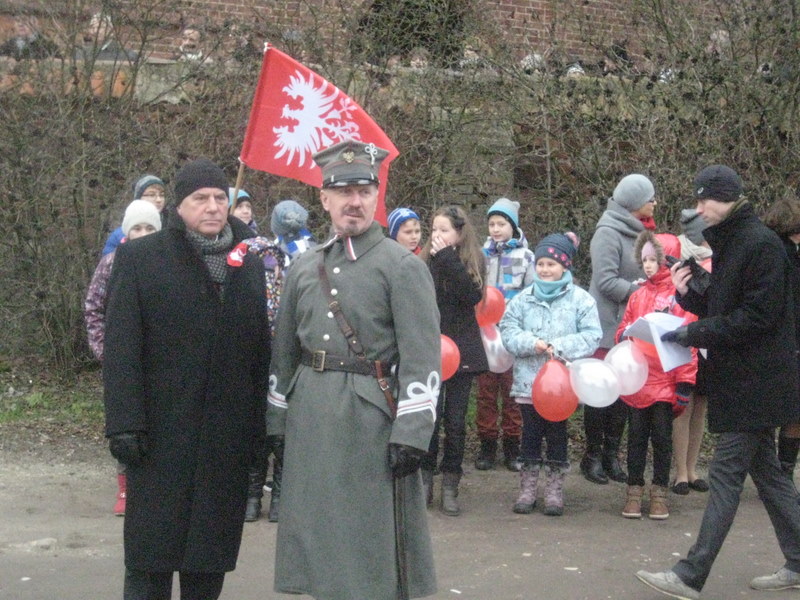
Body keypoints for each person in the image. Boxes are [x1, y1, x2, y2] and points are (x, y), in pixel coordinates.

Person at [266, 140, 439, 600]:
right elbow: (284, 353)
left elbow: (423, 357)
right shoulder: (306, 266)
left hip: (370, 421)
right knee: (316, 528)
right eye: (343, 193)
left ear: (376, 196)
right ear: (325, 199)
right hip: (310, 417)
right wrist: (277, 419)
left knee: (366, 540)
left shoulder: (401, 267)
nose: (354, 202)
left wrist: (413, 431)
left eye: (364, 190)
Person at [103, 158, 271, 600]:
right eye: (201, 199)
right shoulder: (141, 258)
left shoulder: (248, 266)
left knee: (207, 557)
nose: (213, 207)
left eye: (220, 198)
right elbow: (122, 348)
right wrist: (124, 422)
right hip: (159, 434)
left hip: (224, 437)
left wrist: (259, 430)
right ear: (179, 206)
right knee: (150, 557)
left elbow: (259, 353)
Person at [636, 165, 800, 599]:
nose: (698, 208)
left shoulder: (760, 244)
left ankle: (690, 574)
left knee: (726, 477)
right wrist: (692, 290)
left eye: (703, 199)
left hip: (757, 382)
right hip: (749, 381)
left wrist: (694, 332)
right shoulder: (735, 241)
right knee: (770, 476)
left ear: (725, 198)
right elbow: (729, 304)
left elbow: (759, 317)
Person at [499, 232, 600, 516]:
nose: (544, 269)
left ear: (565, 267)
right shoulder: (522, 299)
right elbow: (507, 330)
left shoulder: (581, 300)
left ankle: (554, 490)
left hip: (562, 388)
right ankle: (528, 488)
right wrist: (532, 344)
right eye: (540, 264)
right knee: (529, 435)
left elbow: (592, 335)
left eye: (551, 265)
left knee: (557, 434)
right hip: (529, 384)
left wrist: (560, 347)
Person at [85, 199, 162, 517]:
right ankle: (125, 486)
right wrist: (108, 352)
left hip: (160, 362)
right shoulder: (111, 263)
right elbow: (93, 307)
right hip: (123, 363)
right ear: (126, 232)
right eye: (137, 228)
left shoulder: (166, 264)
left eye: (149, 227)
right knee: (125, 422)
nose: (143, 233)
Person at [243, 199, 316, 523]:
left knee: (286, 423)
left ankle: (280, 494)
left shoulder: (313, 256)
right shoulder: (257, 254)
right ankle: (253, 493)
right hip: (260, 349)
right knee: (260, 424)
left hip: (295, 352)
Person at [616, 231, 697, 521]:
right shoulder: (638, 295)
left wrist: (685, 383)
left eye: (654, 259)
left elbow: (689, 344)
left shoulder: (681, 299)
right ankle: (634, 489)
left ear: (668, 260)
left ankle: (659, 491)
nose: (648, 265)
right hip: (638, 380)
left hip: (665, 382)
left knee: (662, 438)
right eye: (644, 259)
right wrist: (623, 336)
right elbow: (624, 326)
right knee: (636, 436)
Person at [582, 173, 653, 485]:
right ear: (635, 202)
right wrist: (640, 292)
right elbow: (605, 281)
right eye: (650, 197)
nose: (655, 202)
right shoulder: (607, 233)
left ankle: (612, 455)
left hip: (630, 328)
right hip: (606, 325)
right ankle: (592, 455)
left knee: (624, 394)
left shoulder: (644, 233)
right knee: (600, 395)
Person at [420, 205, 488, 516]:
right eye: (434, 230)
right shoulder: (423, 261)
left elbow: (471, 296)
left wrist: (447, 258)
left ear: (459, 234)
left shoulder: (470, 261)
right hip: (431, 349)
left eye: (444, 230)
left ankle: (451, 483)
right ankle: (424, 481)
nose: (437, 236)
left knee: (456, 421)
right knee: (429, 419)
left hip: (462, 351)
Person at [474, 197, 534, 472]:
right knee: (486, 392)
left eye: (501, 223)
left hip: (512, 333)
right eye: (491, 224)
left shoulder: (526, 256)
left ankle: (513, 445)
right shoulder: (480, 254)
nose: (496, 229)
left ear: (513, 226)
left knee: (513, 391)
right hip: (485, 334)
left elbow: (532, 293)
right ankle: (487, 445)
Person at [672, 208, 712, 496]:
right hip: (684, 339)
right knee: (682, 408)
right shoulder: (677, 253)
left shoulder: (719, 257)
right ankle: (680, 473)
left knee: (700, 407)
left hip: (710, 342)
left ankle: (694, 467)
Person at [762, 194, 800, 493]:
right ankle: (781, 474)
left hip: (776, 341)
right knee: (791, 413)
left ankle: (777, 473)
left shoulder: (767, 252)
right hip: (786, 341)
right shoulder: (784, 256)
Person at [102, 175, 166, 256]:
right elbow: (108, 264)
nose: (158, 200)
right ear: (138, 197)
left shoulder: (171, 229)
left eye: (162, 195)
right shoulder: (119, 235)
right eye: (151, 195)